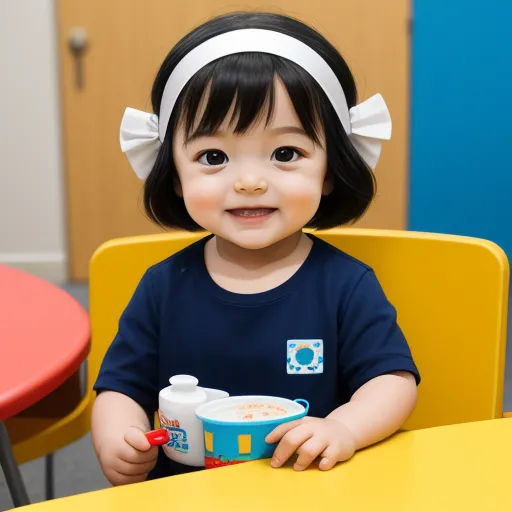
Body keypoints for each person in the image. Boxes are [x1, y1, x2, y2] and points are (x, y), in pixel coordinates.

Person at [92, 11, 420, 486]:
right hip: (188, 494)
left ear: (330, 169)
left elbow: (392, 381)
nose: (249, 182)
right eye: (214, 157)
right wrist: (117, 435)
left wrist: (342, 428)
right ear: (174, 174)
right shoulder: (163, 285)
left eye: (285, 154)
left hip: (311, 487)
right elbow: (120, 387)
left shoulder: (347, 285)